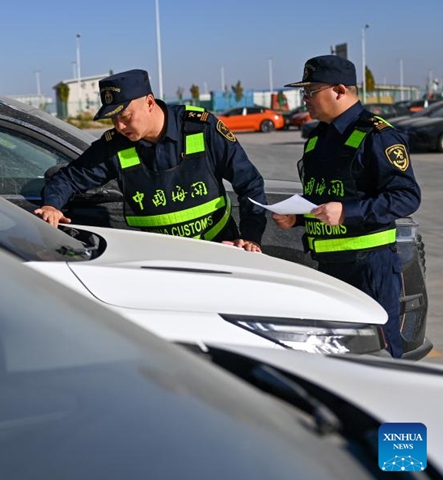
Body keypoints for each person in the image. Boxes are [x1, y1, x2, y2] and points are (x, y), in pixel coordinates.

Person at [273, 55, 421, 358]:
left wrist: (347, 212)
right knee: (339, 354)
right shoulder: (316, 139)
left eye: (311, 92)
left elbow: (407, 196)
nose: (305, 100)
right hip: (328, 267)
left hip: (369, 267)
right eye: (304, 93)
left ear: (340, 90)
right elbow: (324, 195)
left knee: (380, 352)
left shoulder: (377, 135)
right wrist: (298, 217)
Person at [34, 69, 266, 252]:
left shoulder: (200, 127)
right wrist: (52, 205)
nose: (119, 126)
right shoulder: (114, 145)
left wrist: (250, 237)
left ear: (149, 102)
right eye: (113, 119)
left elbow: (249, 183)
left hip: (217, 249)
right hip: (157, 259)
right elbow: (68, 178)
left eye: (125, 117)